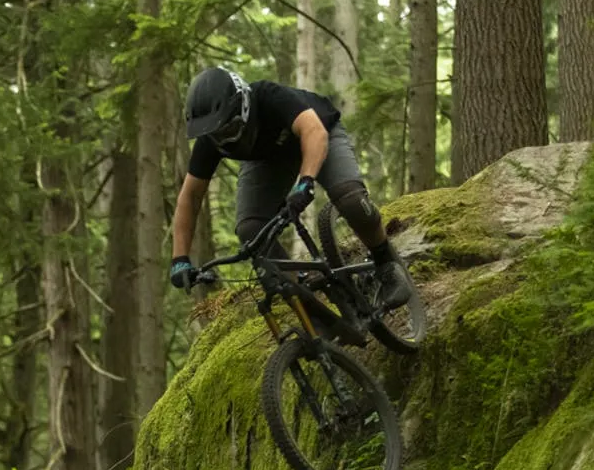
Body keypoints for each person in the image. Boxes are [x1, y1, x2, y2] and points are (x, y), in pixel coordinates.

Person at [167, 66, 413, 339]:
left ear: (243, 106)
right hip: (268, 159)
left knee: (350, 199)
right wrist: (180, 259)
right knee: (251, 231)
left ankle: (386, 263)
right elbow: (190, 197)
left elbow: (313, 132)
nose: (225, 138)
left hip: (319, 133)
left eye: (230, 128)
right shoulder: (210, 140)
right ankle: (314, 312)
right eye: (217, 135)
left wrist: (305, 182)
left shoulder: (269, 97)